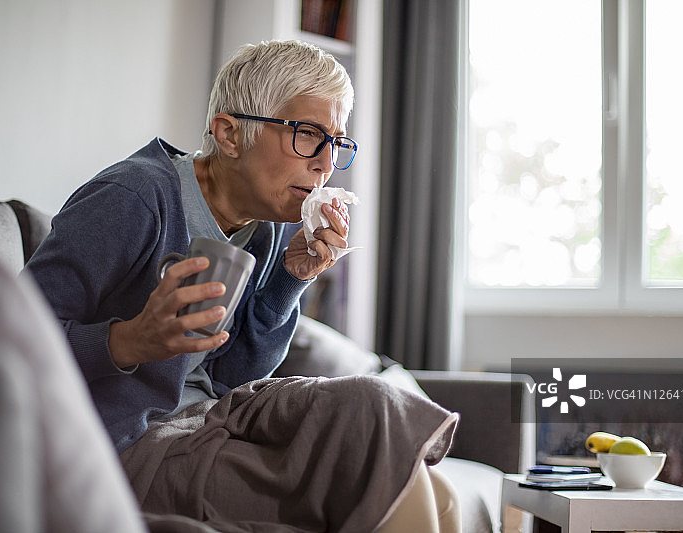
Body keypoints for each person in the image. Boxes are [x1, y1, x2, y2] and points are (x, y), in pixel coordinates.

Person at [26, 39, 460, 532]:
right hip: (119, 446)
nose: (324, 163)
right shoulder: (134, 198)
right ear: (230, 134)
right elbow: (9, 339)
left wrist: (288, 281)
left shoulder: (269, 225)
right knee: (387, 452)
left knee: (390, 432)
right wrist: (129, 340)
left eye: (336, 142)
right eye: (307, 135)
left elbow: (233, 374)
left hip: (211, 416)